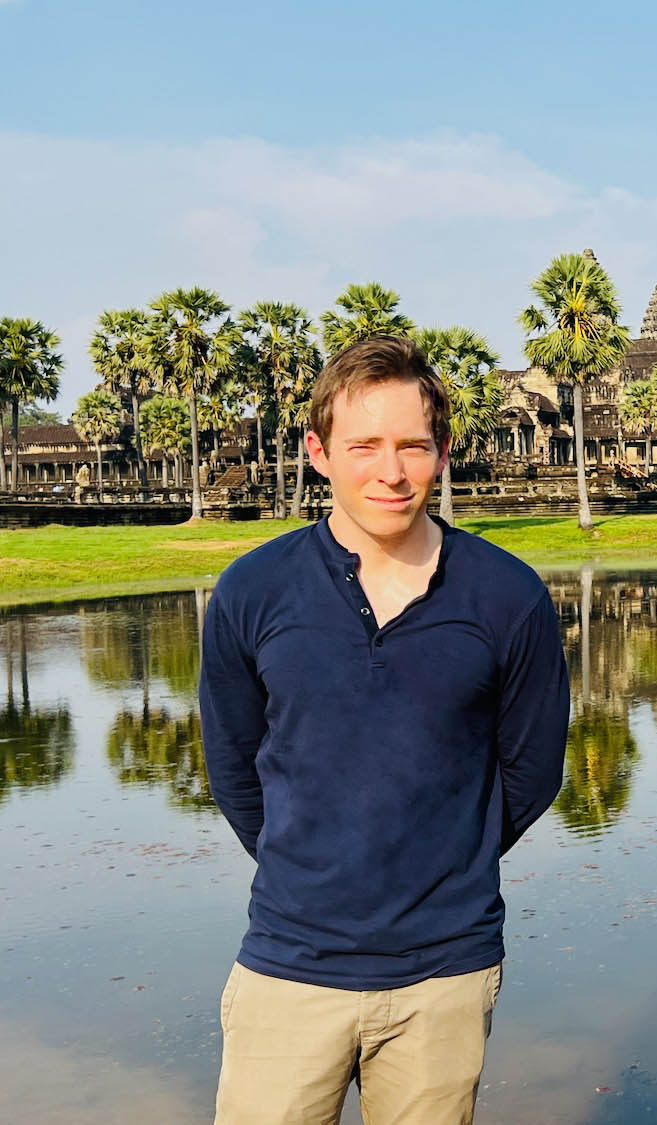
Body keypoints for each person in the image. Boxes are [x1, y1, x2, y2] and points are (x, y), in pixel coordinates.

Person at [200, 336, 570, 1124]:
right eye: (362, 445)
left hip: (444, 971)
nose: (391, 472)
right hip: (290, 964)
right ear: (318, 452)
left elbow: (532, 773)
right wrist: (314, 864)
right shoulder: (252, 593)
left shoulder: (508, 597)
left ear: (443, 450)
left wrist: (443, 856)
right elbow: (235, 770)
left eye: (412, 445)